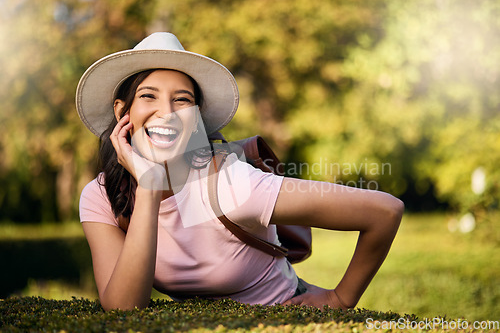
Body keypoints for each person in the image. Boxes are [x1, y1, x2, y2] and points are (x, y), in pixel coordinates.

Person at [76, 32, 404, 311]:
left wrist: (340, 299)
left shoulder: (229, 184)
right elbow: (123, 308)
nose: (167, 113)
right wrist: (148, 186)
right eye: (149, 96)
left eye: (182, 100)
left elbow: (384, 212)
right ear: (123, 111)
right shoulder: (101, 195)